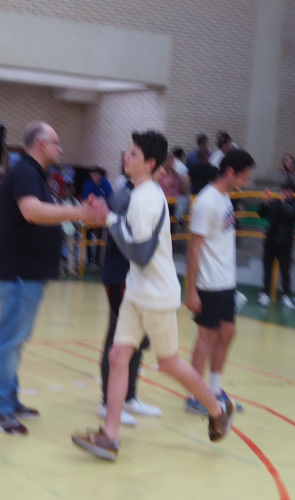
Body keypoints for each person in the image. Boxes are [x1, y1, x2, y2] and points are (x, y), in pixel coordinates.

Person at [71, 131, 235, 461]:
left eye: (133, 153)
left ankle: (218, 410)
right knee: (119, 356)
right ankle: (109, 437)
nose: (126, 156)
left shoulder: (147, 197)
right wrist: (108, 215)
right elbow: (129, 231)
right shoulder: (137, 193)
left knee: (169, 363)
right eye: (127, 151)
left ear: (149, 163)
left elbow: (141, 252)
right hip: (136, 291)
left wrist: (108, 219)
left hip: (156, 295)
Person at [0, 122, 107, 435]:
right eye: (56, 142)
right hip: (19, 272)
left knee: (15, 339)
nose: (60, 148)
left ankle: (10, 400)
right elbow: (32, 211)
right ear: (41, 144)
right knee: (9, 340)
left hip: (28, 272)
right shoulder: (26, 173)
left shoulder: (34, 175)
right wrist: (78, 213)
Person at [183, 149, 255, 416]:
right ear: (230, 172)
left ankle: (214, 390)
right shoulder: (206, 202)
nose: (246, 182)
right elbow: (194, 248)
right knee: (206, 338)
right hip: (209, 283)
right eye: (244, 176)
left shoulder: (225, 198)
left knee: (227, 334)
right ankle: (194, 395)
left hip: (226, 281)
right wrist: (191, 290)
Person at [97, 177, 162, 428]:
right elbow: (126, 237)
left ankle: (129, 396)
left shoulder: (149, 193)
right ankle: (108, 403)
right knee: (118, 339)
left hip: (139, 278)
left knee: (137, 339)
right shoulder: (124, 196)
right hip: (121, 277)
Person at [257, 182, 295, 308]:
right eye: (283, 190)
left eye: (287, 191)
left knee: (285, 270)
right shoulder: (276, 203)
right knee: (267, 269)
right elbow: (262, 214)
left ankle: (286, 295)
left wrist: (283, 203)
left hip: (285, 243)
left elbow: (290, 215)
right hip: (271, 241)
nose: (284, 193)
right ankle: (265, 293)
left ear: (291, 192)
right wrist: (265, 202)